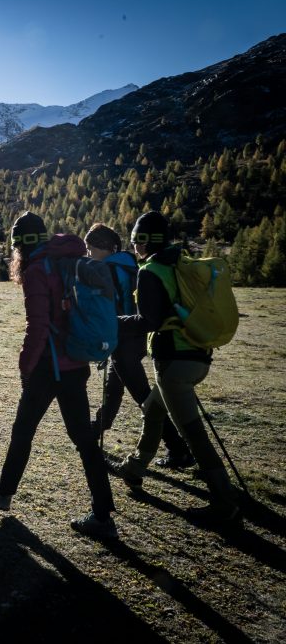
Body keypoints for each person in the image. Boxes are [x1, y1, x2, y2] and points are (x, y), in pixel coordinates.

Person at [0, 212, 117, 540]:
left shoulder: (37, 270)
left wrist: (25, 367)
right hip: (76, 362)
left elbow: (37, 326)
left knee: (23, 430)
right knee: (84, 439)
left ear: (20, 244)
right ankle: (103, 515)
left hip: (49, 367)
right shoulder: (67, 261)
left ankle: (4, 492)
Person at [109, 212, 239, 523]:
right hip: (197, 354)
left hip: (173, 362)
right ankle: (134, 467)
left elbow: (149, 321)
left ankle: (225, 502)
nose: (134, 246)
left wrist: (113, 322)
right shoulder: (178, 263)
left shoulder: (151, 271)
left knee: (193, 433)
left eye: (137, 240)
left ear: (147, 241)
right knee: (153, 410)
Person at [84, 224, 192, 467]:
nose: (88, 254)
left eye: (90, 249)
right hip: (141, 337)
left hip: (122, 339)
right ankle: (92, 432)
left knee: (144, 398)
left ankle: (178, 449)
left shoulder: (106, 269)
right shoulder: (133, 264)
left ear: (106, 248)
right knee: (113, 388)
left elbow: (106, 310)